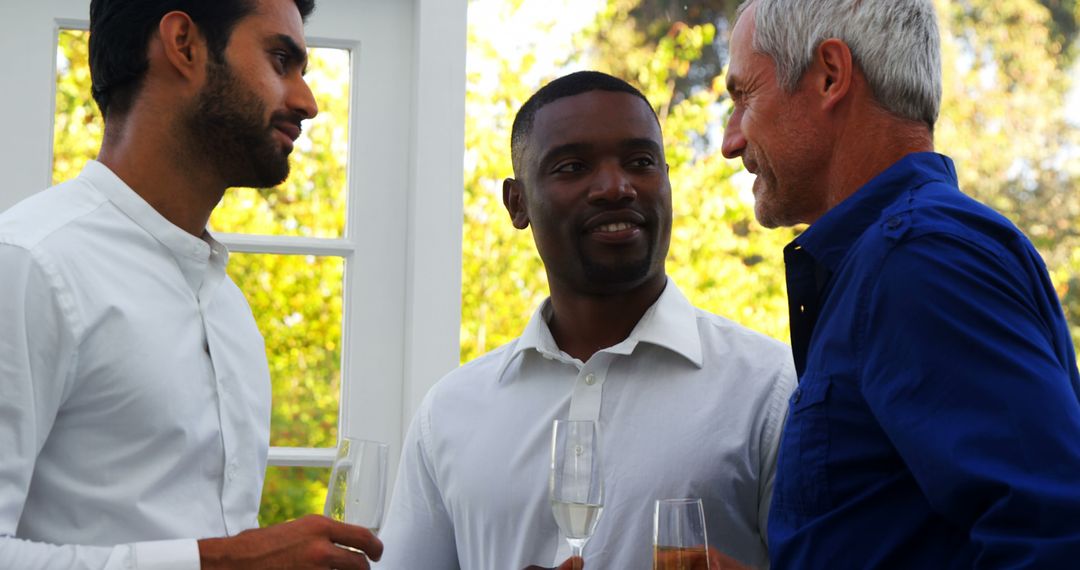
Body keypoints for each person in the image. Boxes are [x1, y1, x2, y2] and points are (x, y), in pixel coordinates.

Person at [0, 0, 382, 568]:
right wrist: (226, 562)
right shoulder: (29, 263)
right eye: (281, 60)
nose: (307, 101)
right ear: (183, 43)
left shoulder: (227, 307)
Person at [377, 70, 795, 569]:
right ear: (517, 204)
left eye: (641, 162)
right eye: (573, 167)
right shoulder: (448, 413)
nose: (616, 187)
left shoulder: (771, 389)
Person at [721, 0, 1080, 566]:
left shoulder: (919, 258)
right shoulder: (895, 259)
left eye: (744, 97)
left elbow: (1050, 533)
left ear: (830, 75)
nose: (730, 140)